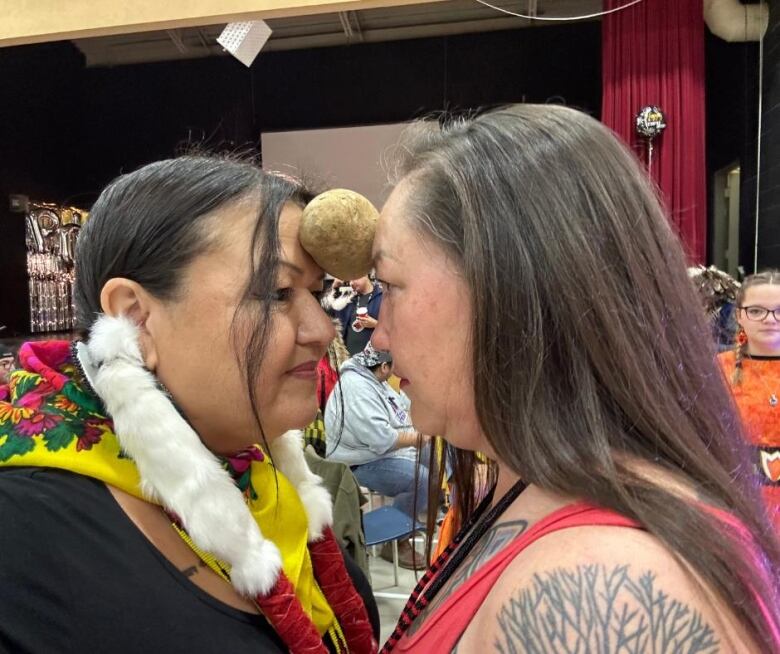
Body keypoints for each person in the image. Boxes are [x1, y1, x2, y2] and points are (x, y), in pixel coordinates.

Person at [370, 105, 780, 652]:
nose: (380, 334)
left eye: (390, 285)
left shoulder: (607, 587)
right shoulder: (538, 485)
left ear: (510, 289)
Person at [0, 156, 378, 654]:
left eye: (315, 292)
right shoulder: (20, 535)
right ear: (135, 318)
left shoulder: (259, 473)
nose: (322, 329)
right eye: (277, 291)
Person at [325, 342, 429, 569]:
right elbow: (383, 440)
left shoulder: (376, 382)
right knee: (421, 478)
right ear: (383, 367)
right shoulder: (357, 388)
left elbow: (403, 410)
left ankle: (437, 510)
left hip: (379, 453)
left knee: (439, 453)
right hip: (358, 463)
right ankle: (398, 540)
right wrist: (420, 438)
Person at [719, 270, 780, 531]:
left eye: (779, 310)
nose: (770, 320)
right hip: (738, 509)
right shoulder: (715, 370)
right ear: (739, 315)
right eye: (756, 311)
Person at [335, 276, 383, 355]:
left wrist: (375, 324)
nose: (351, 283)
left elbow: (395, 330)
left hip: (373, 360)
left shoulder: (382, 297)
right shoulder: (349, 299)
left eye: (354, 278)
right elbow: (329, 310)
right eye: (349, 281)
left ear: (365, 274)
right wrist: (335, 287)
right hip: (349, 358)